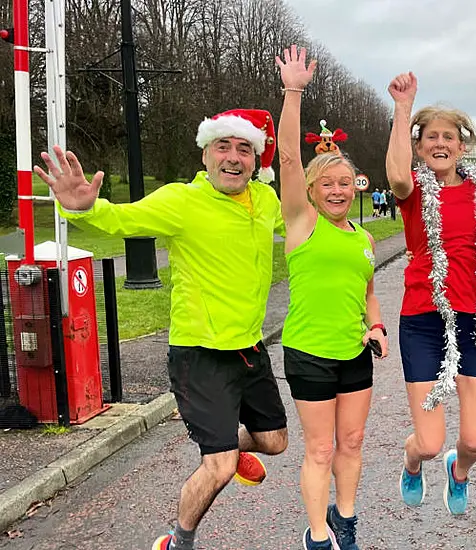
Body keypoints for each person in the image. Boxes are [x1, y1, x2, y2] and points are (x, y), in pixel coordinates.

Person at [34, 109, 289, 550]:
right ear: (206, 154)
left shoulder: (265, 201)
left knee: (276, 442)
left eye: (243, 148)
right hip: (199, 354)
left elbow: (301, 227)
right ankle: (179, 539)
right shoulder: (181, 201)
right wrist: (84, 208)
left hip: (249, 349)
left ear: (256, 159)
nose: (233, 158)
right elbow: (123, 219)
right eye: (222, 147)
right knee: (220, 466)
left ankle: (229, 445)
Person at [276, 45, 388, 550]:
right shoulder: (302, 223)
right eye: (329, 184)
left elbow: (367, 291)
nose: (339, 191)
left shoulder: (363, 239)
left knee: (354, 442)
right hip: (309, 352)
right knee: (320, 448)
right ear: (315, 190)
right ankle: (317, 533)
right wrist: (293, 91)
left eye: (346, 183)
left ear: (355, 187)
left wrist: (377, 325)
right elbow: (290, 157)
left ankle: (346, 519)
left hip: (353, 352)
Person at [386, 71, 476, 516]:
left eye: (447, 137)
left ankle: (461, 472)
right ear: (419, 147)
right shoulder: (414, 190)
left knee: (473, 439)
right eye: (430, 136)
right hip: (423, 317)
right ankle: (412, 462)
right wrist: (403, 108)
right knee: (430, 442)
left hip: (473, 317)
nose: (439, 143)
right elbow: (396, 174)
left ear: (461, 145)